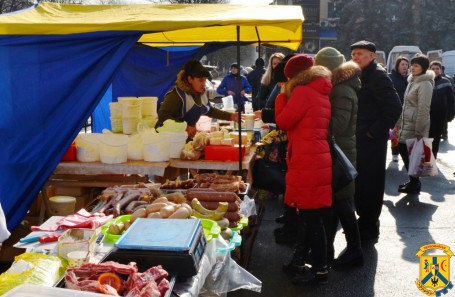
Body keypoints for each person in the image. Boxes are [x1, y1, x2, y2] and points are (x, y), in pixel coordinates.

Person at [275, 54, 333, 285]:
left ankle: (320, 269)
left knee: (311, 219)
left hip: (308, 161)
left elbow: (284, 122)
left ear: (293, 77)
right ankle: (298, 261)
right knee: (308, 216)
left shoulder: (302, 92)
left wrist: (281, 97)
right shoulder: (318, 90)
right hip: (315, 158)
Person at [315, 47, 364, 270]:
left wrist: (315, 123)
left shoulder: (341, 89)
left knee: (343, 202)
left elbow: (339, 125)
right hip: (339, 150)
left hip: (341, 152)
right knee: (336, 202)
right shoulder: (338, 86)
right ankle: (331, 249)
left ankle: (355, 250)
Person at [350, 40, 402, 242]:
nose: (355, 57)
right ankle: (364, 223)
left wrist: (373, 132)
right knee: (361, 182)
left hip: (372, 141)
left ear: (372, 56)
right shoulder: (358, 74)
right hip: (361, 138)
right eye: (353, 54)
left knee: (371, 183)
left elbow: (394, 108)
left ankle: (370, 228)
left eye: (360, 53)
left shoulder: (378, 75)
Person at [158, 59, 240, 139]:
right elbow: (163, 115)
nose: (203, 84)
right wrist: (185, 127)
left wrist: (230, 116)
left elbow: (209, 110)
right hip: (167, 139)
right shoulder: (176, 95)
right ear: (190, 79)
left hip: (184, 139)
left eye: (205, 80)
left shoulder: (201, 94)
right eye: (200, 81)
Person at [395, 54, 434, 194]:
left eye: (416, 65)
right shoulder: (412, 81)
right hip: (407, 123)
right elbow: (405, 105)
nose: (412, 67)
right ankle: (414, 181)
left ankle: (415, 183)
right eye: (412, 65)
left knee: (414, 155)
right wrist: (399, 122)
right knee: (406, 152)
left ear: (423, 68)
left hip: (416, 125)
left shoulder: (425, 84)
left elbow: (424, 109)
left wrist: (419, 130)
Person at [428, 61, 454, 159]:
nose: (435, 70)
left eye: (437, 68)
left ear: (441, 70)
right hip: (427, 114)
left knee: (437, 137)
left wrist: (451, 114)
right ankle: (428, 156)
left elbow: (451, 100)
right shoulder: (426, 82)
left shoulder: (446, 82)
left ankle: (433, 156)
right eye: (433, 68)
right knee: (428, 137)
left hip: (441, 115)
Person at [389, 56, 409, 162]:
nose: (405, 66)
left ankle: (405, 153)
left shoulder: (410, 78)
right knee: (395, 132)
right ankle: (395, 152)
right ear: (397, 66)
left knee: (405, 132)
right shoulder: (391, 77)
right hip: (395, 108)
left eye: (406, 64)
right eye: (402, 64)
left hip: (407, 108)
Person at [441, 65, 455, 140]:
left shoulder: (448, 79)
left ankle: (444, 134)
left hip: (445, 103)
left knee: (444, 121)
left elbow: (452, 90)